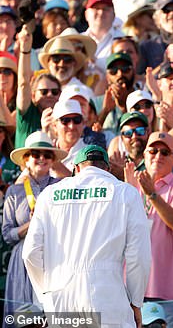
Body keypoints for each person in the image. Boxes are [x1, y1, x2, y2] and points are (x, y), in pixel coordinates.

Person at [22, 145, 151, 327]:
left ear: (76, 168)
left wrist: (45, 293)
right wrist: (136, 302)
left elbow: (30, 253)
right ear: (106, 168)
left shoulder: (48, 195)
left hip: (60, 298)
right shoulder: (126, 193)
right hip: (107, 298)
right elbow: (138, 257)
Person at [131, 132, 173, 328]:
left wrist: (151, 193)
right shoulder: (131, 188)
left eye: (165, 152)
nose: (158, 156)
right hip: (133, 291)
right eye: (153, 151)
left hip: (169, 292)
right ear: (144, 155)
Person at [2, 132, 66, 327]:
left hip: (53, 256)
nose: (42, 159)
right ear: (26, 160)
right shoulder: (14, 192)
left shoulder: (62, 187)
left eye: (47, 155)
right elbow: (7, 235)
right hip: (22, 261)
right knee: (23, 320)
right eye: (36, 154)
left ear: (53, 160)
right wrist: (31, 224)